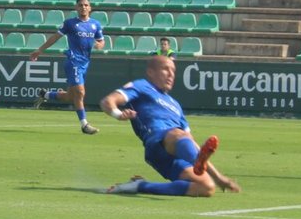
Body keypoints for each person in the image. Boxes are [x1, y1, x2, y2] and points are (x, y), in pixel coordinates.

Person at [102, 55, 239, 197]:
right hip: (157, 143)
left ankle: (140, 186)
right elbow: (108, 101)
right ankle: (197, 162)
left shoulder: (175, 105)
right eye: (165, 69)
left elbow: (190, 142)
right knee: (178, 134)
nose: (171, 74)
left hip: (174, 154)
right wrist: (118, 114)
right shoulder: (142, 86)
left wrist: (218, 177)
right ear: (151, 72)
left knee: (206, 187)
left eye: (173, 71)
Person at [28, 0, 106, 135]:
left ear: (90, 8)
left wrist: (99, 45)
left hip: (85, 62)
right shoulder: (70, 23)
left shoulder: (95, 24)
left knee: (71, 96)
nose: (83, 7)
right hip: (73, 61)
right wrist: (40, 50)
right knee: (80, 92)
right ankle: (84, 125)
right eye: (80, 5)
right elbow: (55, 37)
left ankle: (45, 94)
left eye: (86, 5)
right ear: (76, 8)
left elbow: (101, 41)